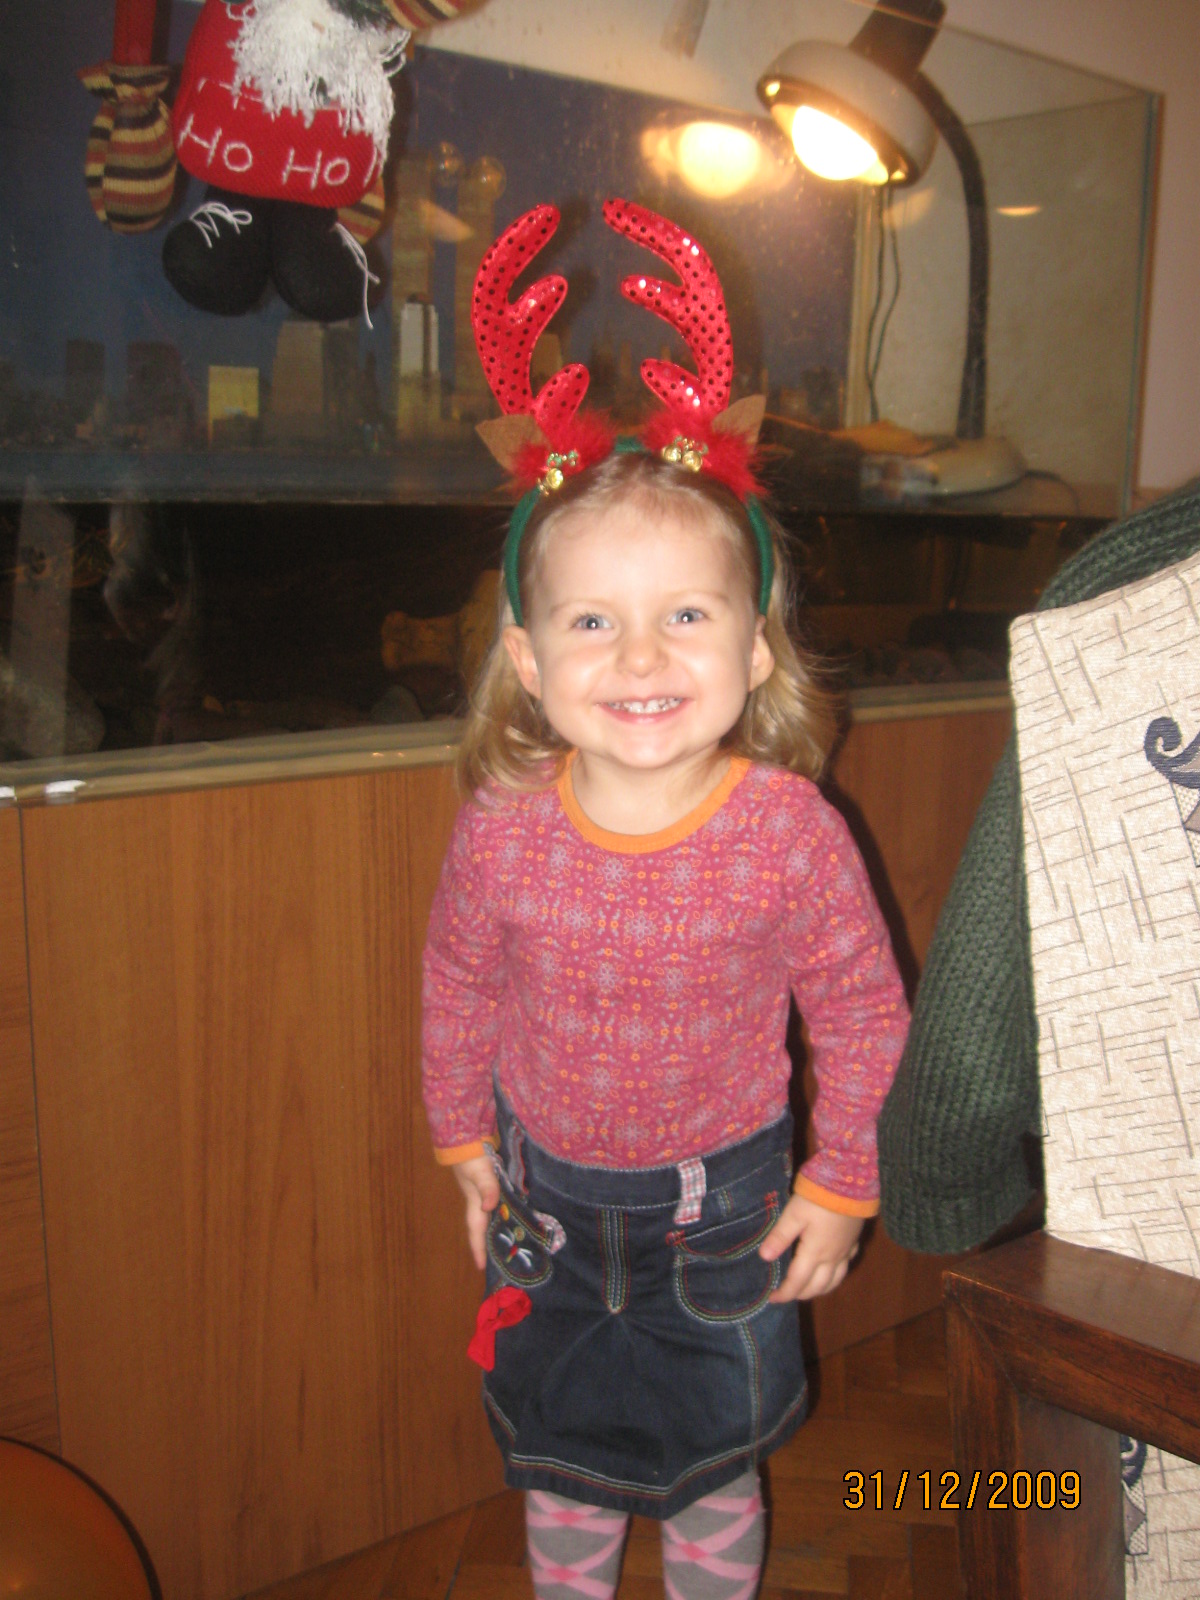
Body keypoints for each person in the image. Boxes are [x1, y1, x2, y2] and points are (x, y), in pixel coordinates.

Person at [421, 199, 908, 1600]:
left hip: (728, 1216)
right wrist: (461, 1140)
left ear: (756, 647)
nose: (640, 656)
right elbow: (457, 983)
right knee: (561, 1463)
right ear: (528, 659)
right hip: (545, 1208)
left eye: (687, 615)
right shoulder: (502, 827)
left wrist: (844, 1181)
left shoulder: (791, 831)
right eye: (593, 621)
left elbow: (864, 1014)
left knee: (715, 1466)